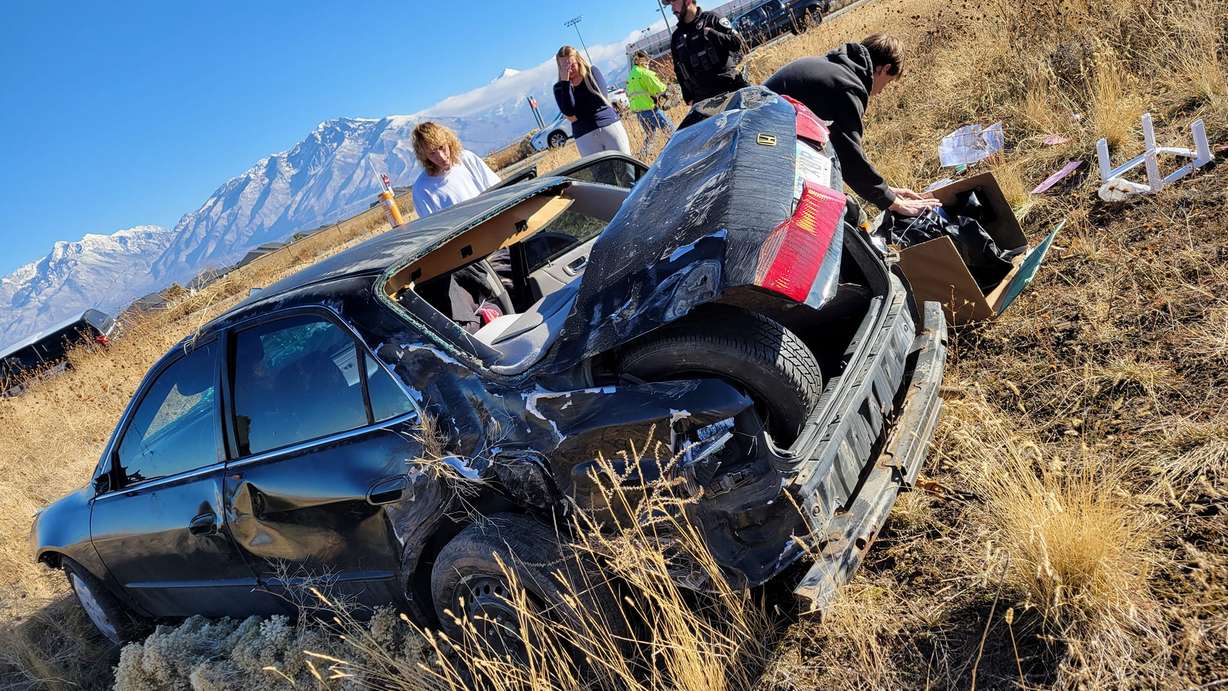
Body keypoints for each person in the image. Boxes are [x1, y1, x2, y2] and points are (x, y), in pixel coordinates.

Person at [763, 35, 940, 217]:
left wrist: (886, 191)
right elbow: (849, 158)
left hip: (761, 138)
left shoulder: (835, 68)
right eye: (887, 83)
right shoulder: (847, 87)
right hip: (762, 153)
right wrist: (893, 202)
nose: (880, 92)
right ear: (885, 68)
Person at [669, 0, 749, 117]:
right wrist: (688, 97)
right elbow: (679, 70)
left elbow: (737, 43)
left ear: (688, 1)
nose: (672, 9)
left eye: (674, 2)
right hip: (704, 103)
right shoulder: (677, 37)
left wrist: (712, 34)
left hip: (731, 91)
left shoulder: (712, 19)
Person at [411, 121, 501, 218]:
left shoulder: (467, 159)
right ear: (424, 156)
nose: (441, 157)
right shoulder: (421, 189)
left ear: (449, 142)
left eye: (441, 147)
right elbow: (433, 224)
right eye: (432, 153)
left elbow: (499, 191)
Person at [553, 46, 631, 156]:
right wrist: (565, 83)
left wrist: (577, 114)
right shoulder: (559, 88)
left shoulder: (592, 73)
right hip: (584, 136)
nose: (569, 70)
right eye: (564, 67)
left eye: (571, 65)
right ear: (559, 68)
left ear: (578, 61)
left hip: (609, 126)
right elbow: (569, 111)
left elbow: (600, 100)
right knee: (600, 168)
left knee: (625, 164)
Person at [626, 51, 674, 157]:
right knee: (671, 131)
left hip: (639, 113)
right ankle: (667, 154)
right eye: (647, 60)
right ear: (643, 61)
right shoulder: (645, 73)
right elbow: (660, 88)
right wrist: (668, 89)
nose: (649, 62)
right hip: (651, 110)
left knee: (651, 136)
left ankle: (642, 157)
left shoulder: (631, 74)